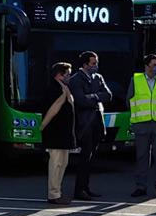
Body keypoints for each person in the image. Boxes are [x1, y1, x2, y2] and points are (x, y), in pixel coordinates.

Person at [67, 50, 112, 201]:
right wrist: (97, 97)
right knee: (84, 157)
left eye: (96, 63)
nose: (96, 66)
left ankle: (86, 188)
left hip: (97, 122)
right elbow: (80, 101)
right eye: (93, 63)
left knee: (90, 157)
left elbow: (108, 95)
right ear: (85, 64)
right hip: (84, 123)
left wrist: (92, 96)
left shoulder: (98, 78)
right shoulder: (76, 79)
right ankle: (79, 190)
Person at [129, 53, 156, 199]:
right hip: (142, 124)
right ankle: (141, 186)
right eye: (154, 65)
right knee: (141, 156)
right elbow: (129, 100)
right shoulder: (136, 79)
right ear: (146, 66)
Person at [40, 62, 76, 206]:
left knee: (63, 163)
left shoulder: (64, 88)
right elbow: (53, 110)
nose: (69, 76)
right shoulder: (54, 89)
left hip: (63, 133)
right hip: (56, 133)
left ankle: (57, 192)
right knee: (56, 164)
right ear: (59, 75)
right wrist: (42, 127)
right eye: (67, 73)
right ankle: (53, 194)